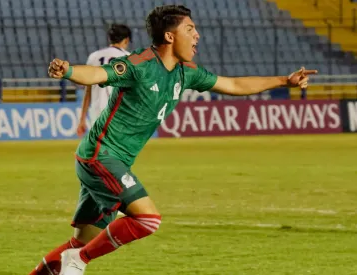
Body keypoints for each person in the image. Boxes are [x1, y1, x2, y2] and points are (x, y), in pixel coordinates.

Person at [33, 5, 317, 275]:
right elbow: (98, 73)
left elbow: (232, 84)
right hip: (100, 155)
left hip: (111, 159)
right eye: (190, 29)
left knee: (82, 240)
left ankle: (63, 261)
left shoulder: (186, 72)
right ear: (170, 36)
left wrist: (284, 81)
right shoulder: (140, 64)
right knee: (147, 219)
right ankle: (79, 261)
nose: (198, 35)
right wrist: (69, 71)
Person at [77, 23, 132, 137]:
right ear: (126, 40)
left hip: (97, 113)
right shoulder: (129, 58)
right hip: (119, 115)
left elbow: (88, 91)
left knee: (99, 151)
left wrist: (82, 119)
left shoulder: (94, 57)